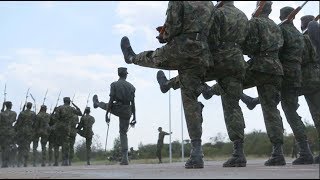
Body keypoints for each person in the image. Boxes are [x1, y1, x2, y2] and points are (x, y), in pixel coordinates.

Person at [152, 1, 249, 167]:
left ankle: (171, 84)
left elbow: (210, 37)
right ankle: (238, 152)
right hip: (237, 61)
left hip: (219, 59)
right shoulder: (243, 16)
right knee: (233, 106)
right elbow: (247, 43)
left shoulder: (218, 13)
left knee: (191, 80)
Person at [120, 1, 214, 169]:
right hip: (203, 52)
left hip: (182, 48)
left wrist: (164, 35)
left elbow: (172, 27)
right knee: (190, 98)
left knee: (152, 56)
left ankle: (132, 58)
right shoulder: (209, 3)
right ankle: (197, 152)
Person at [93, 67, 136, 165]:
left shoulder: (114, 84)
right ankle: (125, 158)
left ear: (118, 74)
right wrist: (134, 117)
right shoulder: (132, 87)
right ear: (126, 75)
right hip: (127, 110)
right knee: (123, 133)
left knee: (105, 105)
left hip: (118, 108)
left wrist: (106, 114)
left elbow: (111, 100)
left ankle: (97, 103)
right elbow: (133, 103)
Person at [52, 97, 82, 166]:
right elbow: (80, 113)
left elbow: (55, 118)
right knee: (65, 144)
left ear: (64, 101)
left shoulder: (60, 108)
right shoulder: (72, 108)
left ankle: (57, 161)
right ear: (69, 101)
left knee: (57, 144)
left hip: (59, 127)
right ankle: (65, 160)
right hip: (67, 128)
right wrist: (75, 105)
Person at [14, 102, 36, 167]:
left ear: (26, 106)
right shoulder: (33, 113)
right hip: (29, 131)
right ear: (31, 106)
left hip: (22, 131)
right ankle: (25, 162)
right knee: (27, 146)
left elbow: (18, 123)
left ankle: (19, 162)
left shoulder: (22, 113)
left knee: (21, 146)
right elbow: (35, 123)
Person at [0, 101, 17, 168]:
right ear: (11, 106)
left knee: (3, 147)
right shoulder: (14, 113)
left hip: (2, 131)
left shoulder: (2, 113)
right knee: (8, 146)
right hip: (10, 131)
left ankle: (4, 162)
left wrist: (2, 109)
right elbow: (13, 120)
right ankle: (7, 162)